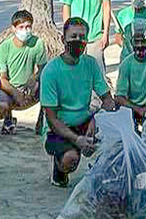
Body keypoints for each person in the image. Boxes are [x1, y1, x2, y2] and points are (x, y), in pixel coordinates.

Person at [41, 15, 111, 186]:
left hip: (85, 120)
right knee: (70, 160)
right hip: (59, 127)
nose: (78, 41)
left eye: (82, 37)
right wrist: (76, 139)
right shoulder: (51, 71)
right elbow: (51, 117)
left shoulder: (91, 64)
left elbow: (107, 98)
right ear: (63, 39)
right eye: (73, 37)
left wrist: (99, 118)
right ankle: (60, 168)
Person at [0, 8, 54, 135]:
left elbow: (44, 69)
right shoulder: (3, 48)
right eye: (21, 27)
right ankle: (8, 119)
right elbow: (1, 79)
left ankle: (42, 122)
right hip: (9, 90)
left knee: (51, 87)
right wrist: (15, 93)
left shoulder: (38, 44)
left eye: (28, 26)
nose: (25, 30)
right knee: (0, 106)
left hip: (30, 89)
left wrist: (34, 79)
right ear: (14, 28)